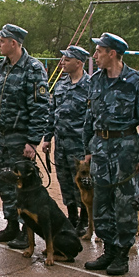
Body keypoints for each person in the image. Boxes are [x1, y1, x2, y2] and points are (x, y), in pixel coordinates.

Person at [82, 32, 139, 276]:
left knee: (124, 201)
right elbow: (89, 117)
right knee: (101, 200)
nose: (95, 55)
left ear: (112, 53)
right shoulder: (95, 80)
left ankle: (122, 253)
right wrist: (88, 148)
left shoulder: (136, 80)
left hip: (125, 147)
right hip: (100, 147)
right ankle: (109, 249)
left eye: (99, 51)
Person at [0, 24, 51, 249]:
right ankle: (11, 224)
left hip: (21, 139)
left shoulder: (33, 68)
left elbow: (40, 107)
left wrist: (33, 140)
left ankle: (26, 231)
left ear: (14, 42)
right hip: (1, 137)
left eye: (2, 40)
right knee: (3, 182)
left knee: (24, 186)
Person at [41, 45, 92, 235]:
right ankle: (72, 216)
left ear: (79, 63)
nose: (63, 62)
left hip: (79, 144)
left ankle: (85, 219)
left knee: (81, 182)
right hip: (61, 144)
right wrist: (47, 138)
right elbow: (52, 113)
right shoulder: (61, 84)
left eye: (67, 60)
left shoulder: (89, 85)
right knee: (64, 181)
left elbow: (92, 117)